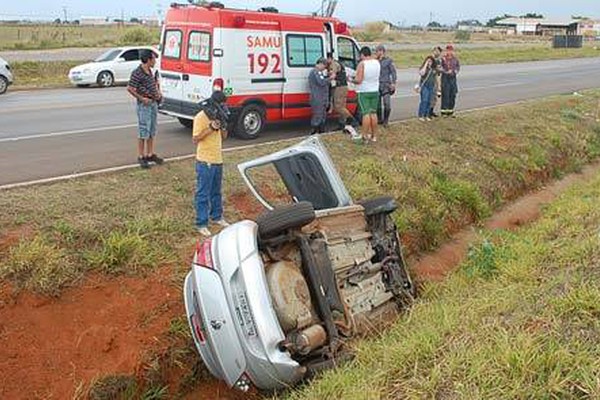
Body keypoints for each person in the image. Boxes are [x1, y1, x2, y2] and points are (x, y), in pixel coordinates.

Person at [192, 91, 230, 236]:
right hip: (205, 160)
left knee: (216, 191)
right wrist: (211, 128)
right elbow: (195, 139)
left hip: (217, 159)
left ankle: (217, 216)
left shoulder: (220, 115)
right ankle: (201, 223)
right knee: (203, 193)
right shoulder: (201, 117)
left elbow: (224, 137)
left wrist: (223, 126)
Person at [127, 49, 163, 169]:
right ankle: (141, 156)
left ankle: (150, 154)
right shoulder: (137, 72)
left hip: (153, 103)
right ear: (148, 60)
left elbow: (153, 85)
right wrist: (142, 99)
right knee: (143, 130)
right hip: (144, 105)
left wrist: (158, 93)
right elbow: (130, 88)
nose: (155, 61)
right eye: (154, 58)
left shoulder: (150, 71)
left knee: (152, 130)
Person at [353, 46, 381, 142]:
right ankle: (374, 136)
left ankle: (364, 135)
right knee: (373, 113)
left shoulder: (362, 64)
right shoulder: (376, 63)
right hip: (375, 90)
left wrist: (351, 80)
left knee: (365, 113)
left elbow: (359, 80)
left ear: (362, 54)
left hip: (364, 91)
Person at [326, 52, 358, 131]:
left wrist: (326, 78)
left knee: (338, 107)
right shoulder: (338, 63)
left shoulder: (333, 64)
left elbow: (333, 76)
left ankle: (351, 119)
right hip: (344, 87)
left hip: (339, 87)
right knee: (342, 106)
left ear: (329, 58)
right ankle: (342, 124)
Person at [375, 44, 397, 127]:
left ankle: (386, 120)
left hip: (386, 85)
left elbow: (393, 72)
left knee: (387, 104)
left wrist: (393, 83)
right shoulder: (375, 61)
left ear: (381, 51)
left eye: (377, 51)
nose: (376, 53)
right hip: (377, 85)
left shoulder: (389, 61)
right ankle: (379, 119)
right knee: (377, 105)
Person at [308, 57, 332, 135]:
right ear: (320, 64)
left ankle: (321, 130)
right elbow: (321, 82)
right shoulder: (315, 72)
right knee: (318, 115)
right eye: (324, 66)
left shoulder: (319, 72)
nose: (324, 68)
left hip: (321, 97)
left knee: (322, 115)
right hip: (317, 97)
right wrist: (330, 79)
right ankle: (315, 130)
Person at [441, 44, 460, 117]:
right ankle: (444, 112)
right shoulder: (443, 59)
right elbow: (440, 68)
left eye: (451, 50)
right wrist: (445, 71)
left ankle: (450, 111)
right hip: (445, 79)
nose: (449, 52)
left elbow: (458, 67)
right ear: (446, 51)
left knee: (453, 95)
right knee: (446, 95)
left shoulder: (455, 59)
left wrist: (455, 71)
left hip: (453, 78)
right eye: (448, 50)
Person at [417, 55, 436, 122]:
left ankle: (426, 115)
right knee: (424, 100)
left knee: (429, 101)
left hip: (431, 86)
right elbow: (422, 73)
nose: (429, 63)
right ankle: (421, 115)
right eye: (428, 61)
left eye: (430, 61)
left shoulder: (434, 69)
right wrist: (425, 64)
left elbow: (436, 77)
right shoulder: (424, 68)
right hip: (424, 86)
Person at [429, 46, 443, 118]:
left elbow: (439, 72)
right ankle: (427, 112)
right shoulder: (430, 59)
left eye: (438, 51)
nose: (437, 52)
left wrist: (439, 85)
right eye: (435, 51)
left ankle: (431, 111)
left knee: (434, 97)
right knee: (430, 97)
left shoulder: (439, 61)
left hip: (436, 79)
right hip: (430, 79)